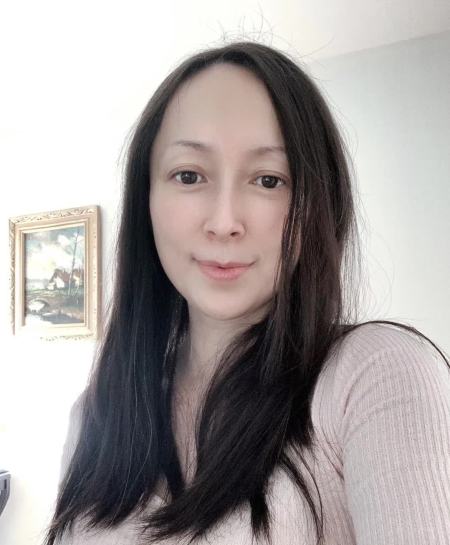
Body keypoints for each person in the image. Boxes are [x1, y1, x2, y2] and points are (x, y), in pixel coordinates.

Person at [44, 40, 450, 545]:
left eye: (269, 180)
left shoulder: (374, 376)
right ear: (146, 198)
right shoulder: (94, 416)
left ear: (318, 203)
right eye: (189, 175)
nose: (224, 221)